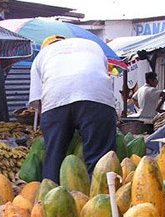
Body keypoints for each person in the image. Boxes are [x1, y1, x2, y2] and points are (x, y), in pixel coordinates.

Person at [29, 35, 117, 181]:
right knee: (100, 161)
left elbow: (39, 103)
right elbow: (102, 78)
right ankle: (101, 199)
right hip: (96, 95)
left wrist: (53, 133)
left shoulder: (42, 56)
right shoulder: (92, 45)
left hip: (55, 98)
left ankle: (49, 195)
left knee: (54, 157)